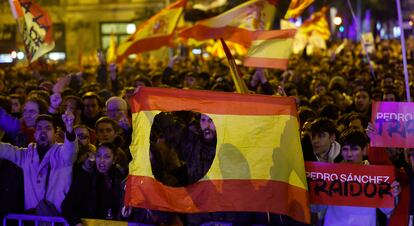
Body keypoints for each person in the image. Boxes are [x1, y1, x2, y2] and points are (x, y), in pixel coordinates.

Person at [0, 112, 77, 214]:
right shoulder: (25, 155)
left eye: (48, 128)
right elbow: (4, 150)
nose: (43, 131)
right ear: (35, 134)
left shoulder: (62, 154)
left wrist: (69, 128)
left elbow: (71, 148)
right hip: (31, 220)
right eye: (39, 128)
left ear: (56, 134)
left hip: (58, 220)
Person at [322, 129, 401, 226]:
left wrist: (394, 194)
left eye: (354, 149)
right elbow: (316, 208)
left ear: (364, 150)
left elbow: (388, 210)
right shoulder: (330, 174)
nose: (349, 154)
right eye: (345, 149)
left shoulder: (376, 176)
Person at [61, 142, 127, 226]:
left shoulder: (119, 178)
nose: (102, 160)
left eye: (107, 157)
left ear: (114, 159)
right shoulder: (86, 177)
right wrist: (77, 223)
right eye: (98, 156)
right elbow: (67, 206)